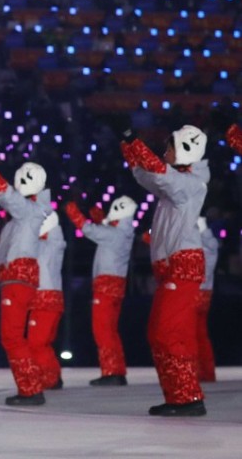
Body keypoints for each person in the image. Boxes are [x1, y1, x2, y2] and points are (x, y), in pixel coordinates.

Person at [122, 125, 209, 416]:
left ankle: (187, 398)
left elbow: (159, 172)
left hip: (182, 265)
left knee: (167, 332)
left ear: (186, 149)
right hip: (171, 267)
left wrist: (135, 139)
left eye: (170, 147)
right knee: (163, 333)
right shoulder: (176, 184)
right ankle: (180, 396)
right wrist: (128, 145)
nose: (165, 152)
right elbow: (145, 174)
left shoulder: (191, 183)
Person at [0, 158, 50, 406]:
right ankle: (30, 387)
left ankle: (30, 389)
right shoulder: (23, 216)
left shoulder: (29, 209)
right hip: (14, 279)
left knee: (12, 337)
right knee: (12, 336)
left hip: (18, 280)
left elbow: (6, 194)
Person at [65, 195, 137, 386]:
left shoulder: (113, 234)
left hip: (105, 286)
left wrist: (72, 211)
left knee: (102, 330)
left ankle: (111, 371)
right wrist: (95, 212)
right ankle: (117, 370)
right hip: (117, 285)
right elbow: (102, 228)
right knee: (111, 330)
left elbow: (88, 229)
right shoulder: (123, 231)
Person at [27, 211, 66, 391]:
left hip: (45, 298)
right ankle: (52, 377)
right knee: (43, 342)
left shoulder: (48, 243)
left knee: (36, 343)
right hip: (50, 297)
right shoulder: (52, 242)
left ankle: (49, 379)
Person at [196, 216, 218, 383]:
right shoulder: (209, 247)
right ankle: (205, 371)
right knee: (200, 334)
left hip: (197, 292)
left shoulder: (206, 246)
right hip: (204, 292)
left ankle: (202, 371)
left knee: (194, 334)